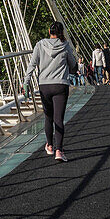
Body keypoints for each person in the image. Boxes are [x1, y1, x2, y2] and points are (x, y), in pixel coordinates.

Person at [24, 21, 78, 162]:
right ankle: (59, 151)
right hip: (60, 85)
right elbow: (73, 65)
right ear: (61, 33)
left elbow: (32, 64)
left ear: (49, 31)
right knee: (58, 118)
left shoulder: (40, 45)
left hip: (44, 86)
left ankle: (49, 145)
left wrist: (26, 82)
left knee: (48, 117)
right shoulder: (65, 46)